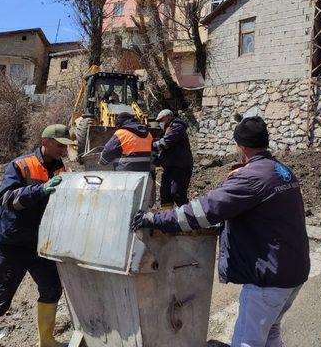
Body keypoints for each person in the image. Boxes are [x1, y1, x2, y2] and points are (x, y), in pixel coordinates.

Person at [131, 116, 310, 347]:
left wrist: (155, 219)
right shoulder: (281, 170)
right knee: (271, 331)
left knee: (247, 341)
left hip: (270, 280)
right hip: (294, 271)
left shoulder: (250, 177)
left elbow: (202, 211)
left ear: (241, 146)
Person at [0, 124, 74, 347]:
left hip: (41, 244)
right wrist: (40, 189)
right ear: (46, 143)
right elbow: (7, 200)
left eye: (65, 146)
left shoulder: (61, 170)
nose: (63, 150)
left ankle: (47, 341)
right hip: (11, 243)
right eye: (59, 145)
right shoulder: (20, 165)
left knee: (52, 289)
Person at [152, 109, 193, 208]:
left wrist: (150, 145)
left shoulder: (177, 127)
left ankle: (190, 217)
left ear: (168, 117)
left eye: (161, 120)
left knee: (177, 194)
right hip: (169, 167)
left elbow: (166, 143)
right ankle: (167, 219)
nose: (160, 123)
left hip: (181, 167)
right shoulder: (167, 129)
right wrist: (157, 159)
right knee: (165, 195)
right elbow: (166, 151)